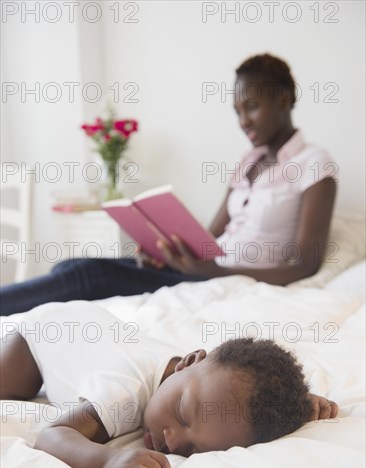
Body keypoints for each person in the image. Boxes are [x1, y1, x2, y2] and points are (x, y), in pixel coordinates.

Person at [0, 53, 337, 315]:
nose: (243, 121)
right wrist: (167, 252)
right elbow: (209, 237)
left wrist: (216, 271)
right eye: (237, 110)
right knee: (70, 266)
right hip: (204, 269)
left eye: (251, 106)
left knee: (87, 275)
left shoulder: (314, 163)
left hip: (228, 279)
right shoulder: (248, 161)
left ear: (283, 99)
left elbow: (305, 264)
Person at [0, 301, 338, 468]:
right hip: (43, 334)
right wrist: (106, 462)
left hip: (98, 322)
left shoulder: (198, 377)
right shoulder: (123, 391)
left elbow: (244, 389)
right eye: (181, 412)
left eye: (194, 449)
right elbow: (52, 435)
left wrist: (291, 403)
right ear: (189, 361)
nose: (172, 441)